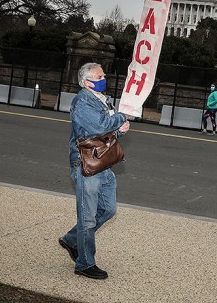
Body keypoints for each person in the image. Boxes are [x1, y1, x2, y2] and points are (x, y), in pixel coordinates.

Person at [59, 62, 129, 280]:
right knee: (88, 217)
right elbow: (100, 125)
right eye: (99, 76)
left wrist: (120, 128)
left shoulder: (100, 99)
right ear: (87, 82)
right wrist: (121, 118)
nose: (103, 78)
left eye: (103, 75)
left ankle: (72, 239)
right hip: (86, 165)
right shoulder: (82, 102)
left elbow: (106, 130)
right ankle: (85, 263)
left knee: (108, 209)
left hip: (102, 162)